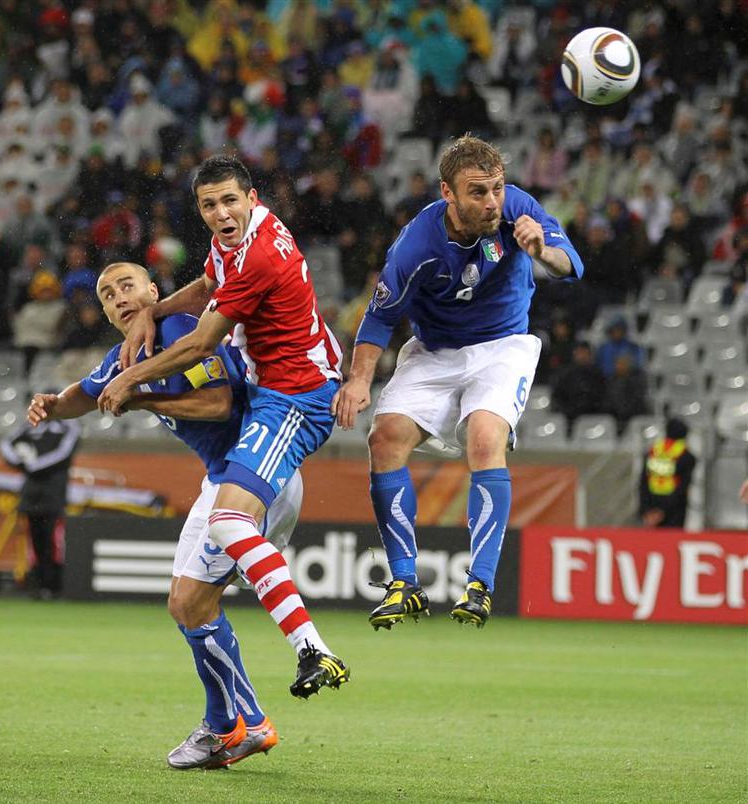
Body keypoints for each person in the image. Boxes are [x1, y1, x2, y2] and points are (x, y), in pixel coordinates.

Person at [26, 261, 300, 769]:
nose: (118, 297)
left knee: (193, 602)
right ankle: (240, 723)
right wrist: (51, 403)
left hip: (256, 476)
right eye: (108, 294)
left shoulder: (181, 329)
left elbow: (218, 404)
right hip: (220, 480)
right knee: (185, 604)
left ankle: (233, 725)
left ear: (153, 291)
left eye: (127, 286)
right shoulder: (123, 357)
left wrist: (139, 399)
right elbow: (85, 394)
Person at [106, 155, 350, 699]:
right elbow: (207, 286)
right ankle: (242, 717)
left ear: (252, 199)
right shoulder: (235, 242)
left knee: (228, 521)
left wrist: (131, 381)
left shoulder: (259, 255)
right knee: (199, 578)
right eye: (209, 204)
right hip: (275, 394)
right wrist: (153, 311)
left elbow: (200, 342)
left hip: (297, 397)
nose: (220, 213)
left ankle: (314, 649)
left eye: (229, 201)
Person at [333, 135, 584, 630]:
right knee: (384, 438)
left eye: (497, 188)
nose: (492, 202)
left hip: (503, 345)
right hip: (435, 352)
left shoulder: (517, 209)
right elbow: (380, 316)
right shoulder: (417, 245)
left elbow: (571, 265)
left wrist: (541, 249)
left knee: (485, 437)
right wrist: (359, 380)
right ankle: (404, 582)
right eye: (478, 192)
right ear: (447, 193)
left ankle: (481, 583)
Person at [0, 410, 81, 598]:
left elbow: (64, 452)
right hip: (31, 495)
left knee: (53, 540)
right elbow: (6, 444)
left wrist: (34, 464)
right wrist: (20, 461)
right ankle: (38, 584)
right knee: (35, 540)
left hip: (54, 494)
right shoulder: (31, 424)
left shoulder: (69, 425)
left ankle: (54, 585)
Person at [639, 418, 696, 528]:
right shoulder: (685, 455)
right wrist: (662, 512)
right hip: (674, 509)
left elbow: (643, 482)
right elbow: (683, 487)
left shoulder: (653, 451)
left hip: (652, 505)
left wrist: (646, 510)